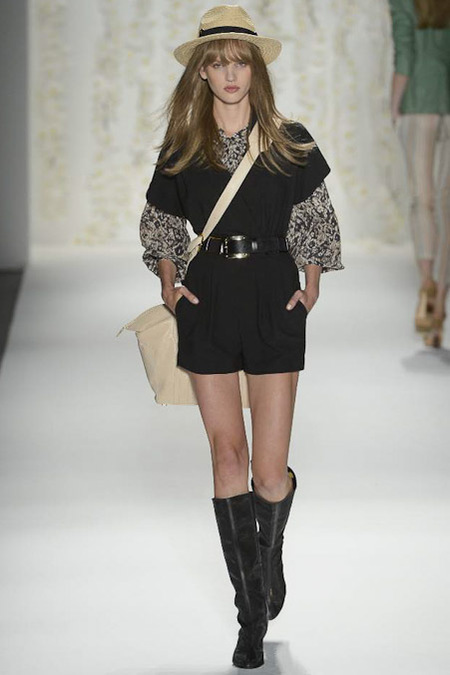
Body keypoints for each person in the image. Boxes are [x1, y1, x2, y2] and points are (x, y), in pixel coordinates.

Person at [139, 5, 343, 669]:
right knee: (227, 457)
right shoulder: (183, 148)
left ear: (256, 69)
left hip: (273, 297)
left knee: (268, 472)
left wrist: (311, 282)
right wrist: (170, 283)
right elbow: (160, 224)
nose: (230, 73)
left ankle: (268, 550)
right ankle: (250, 614)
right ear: (201, 71)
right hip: (208, 301)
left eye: (240, 61)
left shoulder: (290, 142)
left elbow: (315, 217)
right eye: (218, 62)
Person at [389, 0, 450, 348]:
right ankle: (440, 300)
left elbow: (405, 54)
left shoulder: (404, 3)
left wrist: (394, 106)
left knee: (422, 200)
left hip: (417, 105)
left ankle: (426, 283)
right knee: (445, 205)